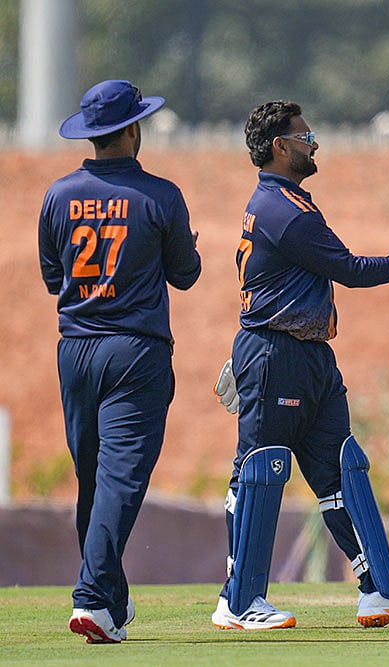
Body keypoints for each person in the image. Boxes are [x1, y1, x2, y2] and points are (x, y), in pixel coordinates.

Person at [211, 100, 389, 630]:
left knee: (342, 469)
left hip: (308, 355)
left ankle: (380, 590)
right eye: (305, 136)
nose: (314, 144)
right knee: (260, 471)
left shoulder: (287, 202)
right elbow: (350, 270)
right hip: (276, 353)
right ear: (280, 147)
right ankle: (238, 601)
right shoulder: (283, 209)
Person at [38, 80, 202, 643]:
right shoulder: (161, 195)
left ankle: (110, 597)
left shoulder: (58, 195)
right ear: (132, 130)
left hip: (76, 348)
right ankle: (91, 600)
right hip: (135, 350)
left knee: (95, 480)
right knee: (119, 481)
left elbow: (52, 278)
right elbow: (186, 274)